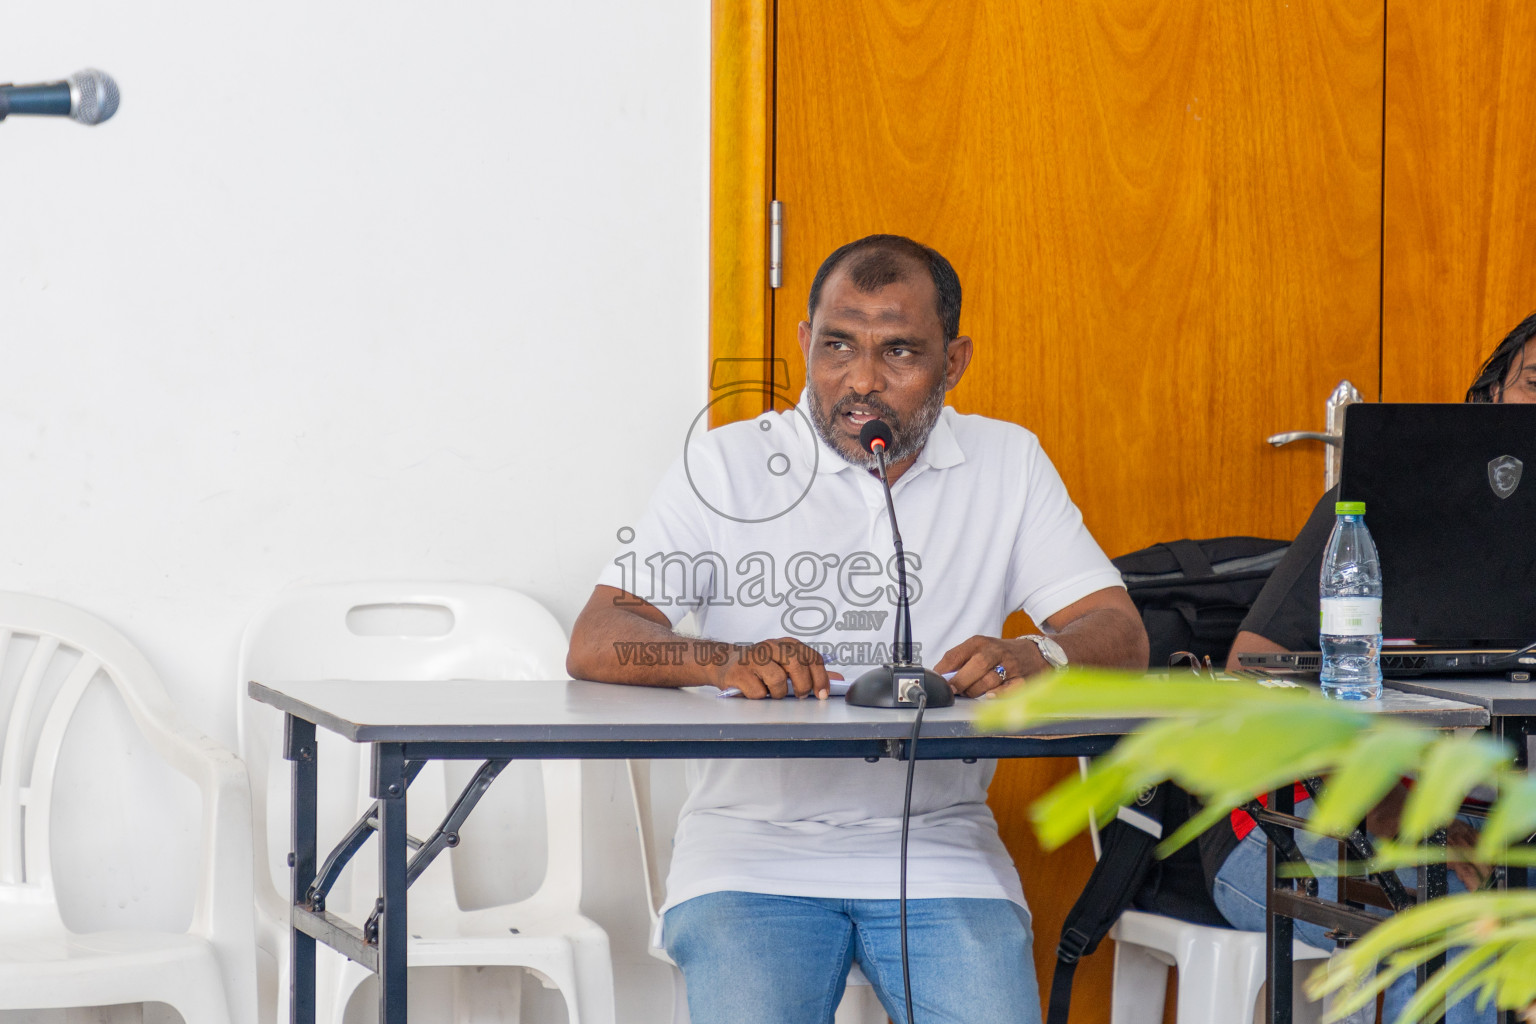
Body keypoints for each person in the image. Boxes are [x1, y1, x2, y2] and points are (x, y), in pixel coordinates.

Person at [567, 234, 1148, 1024]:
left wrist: (1036, 652)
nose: (862, 382)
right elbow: (599, 635)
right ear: (806, 342)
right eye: (838, 346)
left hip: (941, 847)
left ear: (954, 361)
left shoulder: (1008, 462)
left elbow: (1118, 634)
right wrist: (722, 658)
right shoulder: (728, 465)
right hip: (748, 851)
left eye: (900, 351)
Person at [1218, 310, 1536, 1024]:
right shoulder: (1376, 513)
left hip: (1507, 836)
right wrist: (1384, 801)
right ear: (1488, 400)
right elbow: (1253, 674)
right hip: (1303, 824)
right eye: (1534, 385)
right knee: (1463, 942)